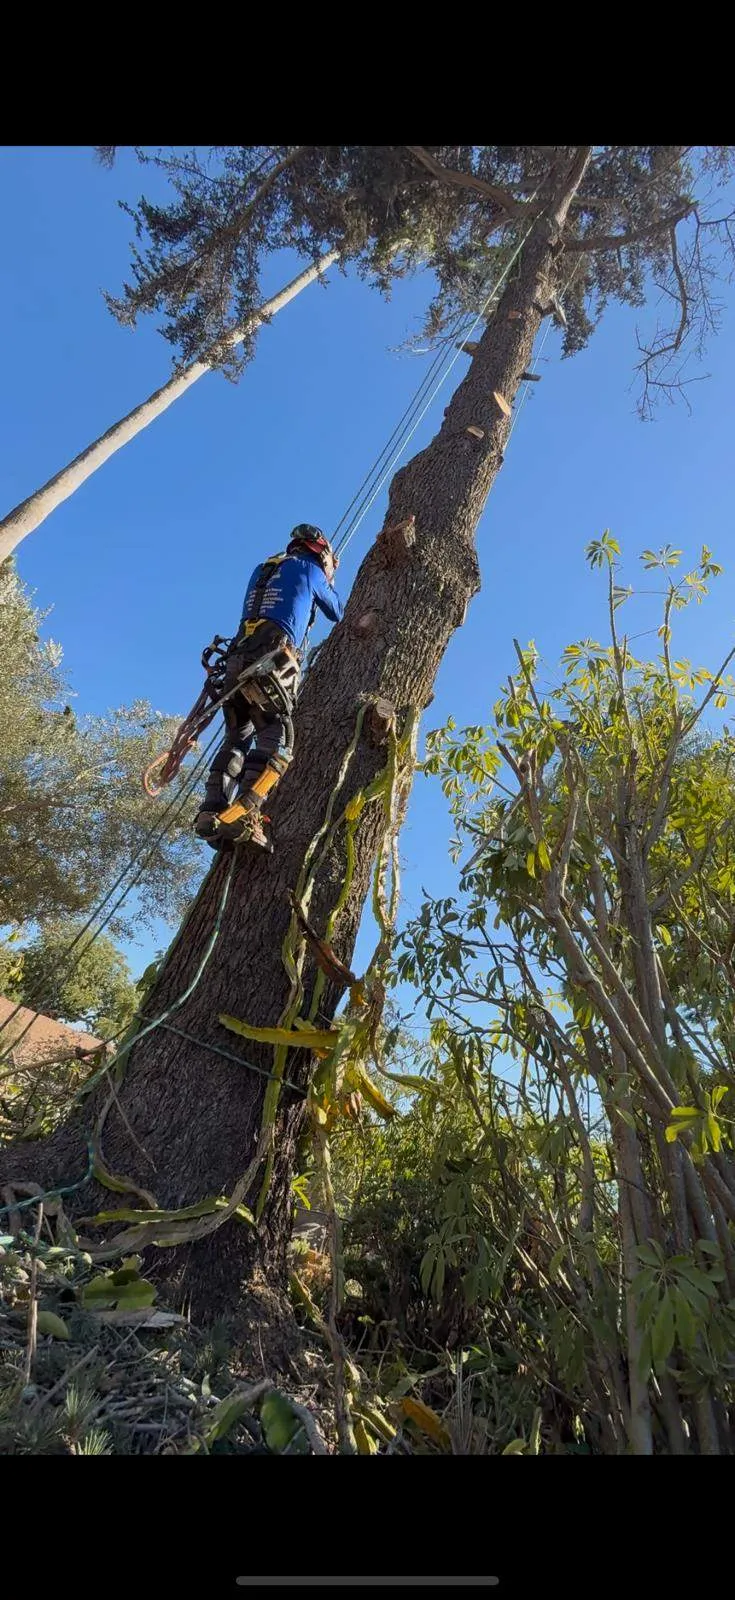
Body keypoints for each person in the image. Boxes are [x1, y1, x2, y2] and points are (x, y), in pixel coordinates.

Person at [194, 524, 343, 849]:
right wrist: (329, 578)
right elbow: (337, 611)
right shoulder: (311, 570)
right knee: (279, 738)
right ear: (321, 552)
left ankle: (212, 811)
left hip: (238, 656)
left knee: (237, 737)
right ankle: (243, 817)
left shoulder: (264, 568)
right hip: (271, 655)